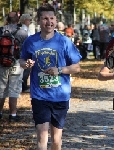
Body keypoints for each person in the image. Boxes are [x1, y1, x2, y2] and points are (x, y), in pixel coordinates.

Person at [19, 3, 81, 150]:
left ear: (55, 19)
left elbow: (77, 67)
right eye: (45, 18)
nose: (49, 22)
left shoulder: (64, 41)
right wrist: (25, 63)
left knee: (56, 140)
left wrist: (59, 70)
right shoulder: (31, 41)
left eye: (52, 18)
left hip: (60, 95)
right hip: (39, 96)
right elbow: (21, 60)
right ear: (39, 21)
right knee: (42, 135)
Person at [0, 11, 28, 122]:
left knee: (1, 89)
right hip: (16, 62)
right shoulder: (22, 32)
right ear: (18, 20)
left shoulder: (1, 30)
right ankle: (13, 115)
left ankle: (0, 113)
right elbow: (26, 48)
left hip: (2, 63)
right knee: (14, 89)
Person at [19, 14, 32, 92]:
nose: (30, 21)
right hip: (25, 52)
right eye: (29, 20)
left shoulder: (27, 29)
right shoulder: (24, 30)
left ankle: (24, 86)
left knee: (26, 70)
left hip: (27, 51)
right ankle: (23, 87)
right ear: (24, 20)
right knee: (25, 70)